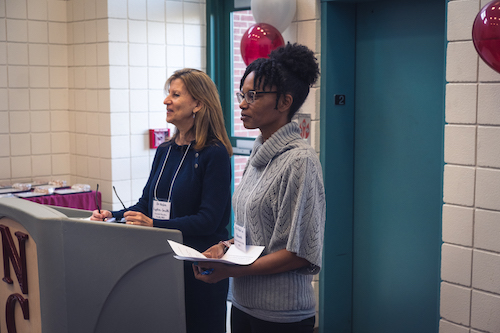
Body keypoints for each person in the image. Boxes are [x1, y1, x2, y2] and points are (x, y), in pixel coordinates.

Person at [194, 43, 326, 333]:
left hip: (283, 314)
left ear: (284, 102)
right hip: (243, 304)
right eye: (242, 94)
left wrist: (230, 270)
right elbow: (258, 233)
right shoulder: (258, 152)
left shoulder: (300, 160)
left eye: (253, 96)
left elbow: (300, 253)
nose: (242, 104)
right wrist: (224, 248)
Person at [91, 68, 233, 333]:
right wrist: (114, 215)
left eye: (175, 94)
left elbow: (208, 220)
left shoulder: (215, 153)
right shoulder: (165, 150)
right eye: (168, 94)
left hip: (199, 268)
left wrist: (155, 225)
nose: (166, 101)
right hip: (160, 263)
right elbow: (146, 203)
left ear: (198, 104)